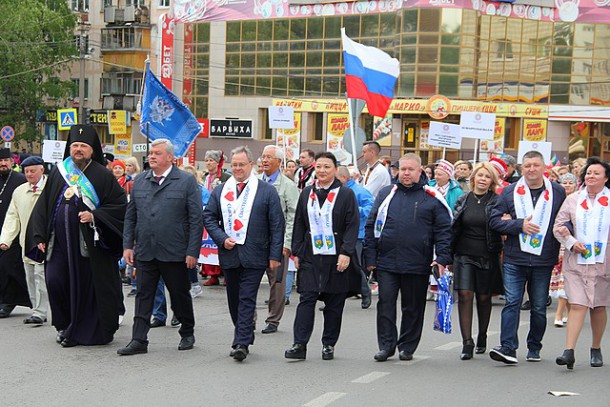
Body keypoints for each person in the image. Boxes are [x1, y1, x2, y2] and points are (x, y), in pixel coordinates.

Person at [28, 125, 127, 346]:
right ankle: (64, 324)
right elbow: (43, 206)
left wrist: (95, 216)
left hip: (89, 245)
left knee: (85, 286)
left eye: (83, 146)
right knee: (55, 281)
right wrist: (39, 236)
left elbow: (120, 205)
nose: (78, 150)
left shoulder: (102, 175)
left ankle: (79, 331)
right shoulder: (59, 172)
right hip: (59, 242)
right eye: (75, 145)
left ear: (92, 150)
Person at [118, 139, 203, 356]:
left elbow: (195, 219)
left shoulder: (185, 181)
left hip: (175, 251)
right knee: (143, 294)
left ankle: (187, 330)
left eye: (157, 153)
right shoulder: (140, 181)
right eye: (151, 153)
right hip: (146, 250)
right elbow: (131, 216)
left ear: (169, 157)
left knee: (179, 294)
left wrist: (193, 252)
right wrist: (128, 245)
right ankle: (139, 339)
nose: (152, 156)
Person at [364, 153, 452, 362]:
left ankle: (407, 346)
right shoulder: (387, 194)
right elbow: (371, 224)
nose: (405, 173)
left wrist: (442, 258)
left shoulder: (430, 197)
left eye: (410, 169)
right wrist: (370, 258)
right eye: (402, 169)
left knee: (412, 307)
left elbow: (443, 232)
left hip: (418, 262)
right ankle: (386, 346)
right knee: (385, 304)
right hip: (386, 261)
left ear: (420, 171)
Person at [204, 146, 285, 362]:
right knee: (233, 299)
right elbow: (209, 217)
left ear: (251, 164)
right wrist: (221, 238)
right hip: (230, 253)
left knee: (247, 297)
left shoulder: (266, 191)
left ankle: (241, 342)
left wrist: (275, 255)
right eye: (235, 165)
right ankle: (245, 333)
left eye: (242, 164)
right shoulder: (221, 190)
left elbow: (277, 224)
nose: (238, 168)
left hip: (256, 254)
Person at [488, 150, 566, 364]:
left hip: (543, 258)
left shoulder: (557, 192)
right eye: (527, 165)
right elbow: (494, 221)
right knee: (512, 302)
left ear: (544, 168)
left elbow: (564, 220)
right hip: (515, 256)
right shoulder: (510, 191)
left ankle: (534, 346)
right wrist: (518, 224)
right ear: (522, 168)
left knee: (539, 306)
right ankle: (508, 347)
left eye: (536, 165)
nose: (531, 169)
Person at [285, 152, 360, 361]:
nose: (322, 171)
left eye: (327, 167)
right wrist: (297, 251)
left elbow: (352, 225)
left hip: (336, 256)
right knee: (306, 300)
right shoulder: (307, 193)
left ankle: (329, 344)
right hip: (311, 254)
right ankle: (299, 343)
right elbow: (299, 223)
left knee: (334, 303)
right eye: (318, 167)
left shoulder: (345, 195)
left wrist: (346, 252)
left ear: (335, 169)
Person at [554, 157, 610, 370]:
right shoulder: (573, 199)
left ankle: (595, 348)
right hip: (576, 260)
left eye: (596, 173)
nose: (591, 176)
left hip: (603, 261)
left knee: (597, 306)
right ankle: (569, 351)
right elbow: (558, 226)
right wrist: (570, 241)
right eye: (588, 173)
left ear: (605, 178)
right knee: (577, 304)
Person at [451, 162, 503, 360]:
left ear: (492, 181)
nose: (483, 179)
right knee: (465, 294)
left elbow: (502, 224)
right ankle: (467, 342)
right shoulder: (463, 200)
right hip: (463, 254)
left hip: (487, 254)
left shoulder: (497, 201)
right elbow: (453, 227)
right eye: (480, 175)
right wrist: (448, 254)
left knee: (483, 297)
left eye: (487, 176)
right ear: (473, 178)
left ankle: (482, 334)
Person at [0, 156, 48, 325]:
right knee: (29, 276)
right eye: (26, 171)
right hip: (25, 242)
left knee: (40, 275)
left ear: (41, 170)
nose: (29, 174)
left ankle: (41, 312)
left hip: (46, 241)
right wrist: (5, 239)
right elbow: (12, 216)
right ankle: (36, 308)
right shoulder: (19, 191)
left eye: (32, 171)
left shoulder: (50, 188)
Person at [258, 145, 299, 334]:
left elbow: (293, 217)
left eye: (269, 157)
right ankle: (248, 318)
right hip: (255, 242)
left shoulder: (288, 186)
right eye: (263, 157)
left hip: (278, 242)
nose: (264, 160)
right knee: (249, 280)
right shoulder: (254, 182)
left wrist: (287, 243)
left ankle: (273, 319)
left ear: (279, 162)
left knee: (277, 282)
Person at [337, 165, 374, 309]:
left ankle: (365, 293)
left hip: (356, 235)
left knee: (355, 266)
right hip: (339, 234)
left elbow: (370, 209)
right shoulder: (336, 191)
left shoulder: (360, 191)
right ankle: (333, 298)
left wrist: (352, 209)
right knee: (336, 267)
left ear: (344, 178)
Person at [0, 148, 29, 318]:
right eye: (0, 161)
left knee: (7, 267)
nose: (3, 164)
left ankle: (8, 302)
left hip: (14, 233)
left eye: (6, 160)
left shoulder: (20, 180)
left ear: (12, 162)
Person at [550, 173, 577, 327]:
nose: (567, 185)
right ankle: (568, 311)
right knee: (561, 276)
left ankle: (559, 314)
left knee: (566, 279)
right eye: (564, 182)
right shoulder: (558, 199)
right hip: (558, 242)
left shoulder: (579, 200)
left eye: (570, 182)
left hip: (574, 243)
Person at [202, 150, 230, 286]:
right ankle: (212, 274)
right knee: (208, 245)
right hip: (208, 212)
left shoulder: (225, 177)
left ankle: (225, 273)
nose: (208, 163)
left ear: (217, 162)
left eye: (211, 160)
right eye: (207, 160)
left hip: (221, 213)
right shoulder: (206, 177)